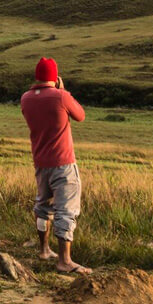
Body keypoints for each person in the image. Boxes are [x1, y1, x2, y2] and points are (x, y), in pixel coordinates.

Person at [20, 56, 90, 274]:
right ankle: (64, 260)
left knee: (42, 206)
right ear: (55, 76)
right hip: (62, 162)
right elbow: (80, 115)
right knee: (66, 210)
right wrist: (64, 90)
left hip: (40, 162)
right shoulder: (60, 96)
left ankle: (44, 249)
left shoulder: (26, 98)